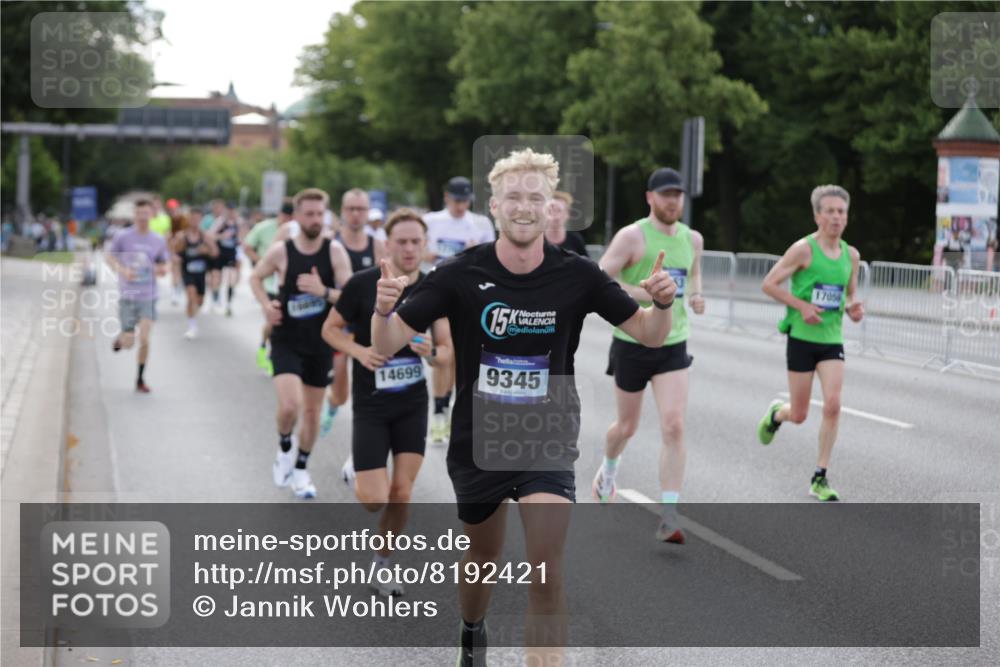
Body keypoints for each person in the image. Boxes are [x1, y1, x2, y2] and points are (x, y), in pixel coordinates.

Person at [371, 149, 676, 666]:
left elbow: (647, 333)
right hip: (478, 440)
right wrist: (383, 310)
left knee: (547, 570)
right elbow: (387, 340)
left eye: (536, 197)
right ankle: (472, 630)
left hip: (547, 433)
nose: (525, 207)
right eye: (514, 196)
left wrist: (663, 304)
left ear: (549, 207)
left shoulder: (578, 275)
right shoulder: (457, 273)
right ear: (494, 206)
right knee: (483, 559)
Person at [322, 208, 452, 596]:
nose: (410, 249)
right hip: (372, 404)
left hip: (412, 402)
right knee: (374, 500)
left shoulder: (435, 288)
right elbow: (330, 330)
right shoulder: (364, 285)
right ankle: (357, 470)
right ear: (387, 243)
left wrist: (432, 353)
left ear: (425, 245)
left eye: (416, 242)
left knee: (402, 493)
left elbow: (447, 352)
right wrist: (359, 352)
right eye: (402, 241)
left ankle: (382, 563)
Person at [592, 167, 706, 544]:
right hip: (633, 339)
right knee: (626, 427)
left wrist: (694, 295)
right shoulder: (633, 236)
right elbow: (600, 277)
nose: (673, 201)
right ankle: (609, 470)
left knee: (674, 425)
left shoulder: (694, 239)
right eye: (665, 194)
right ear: (650, 198)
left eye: (678, 194)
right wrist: (649, 294)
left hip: (674, 342)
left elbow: (692, 277)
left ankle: (668, 515)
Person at [756, 184, 864, 502]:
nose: (836, 217)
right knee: (800, 413)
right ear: (817, 215)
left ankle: (820, 476)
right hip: (802, 338)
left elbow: (849, 296)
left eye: (841, 212)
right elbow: (769, 284)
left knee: (833, 404)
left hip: (832, 340)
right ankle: (778, 414)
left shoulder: (851, 255)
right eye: (829, 211)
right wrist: (801, 306)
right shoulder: (803, 250)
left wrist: (855, 309)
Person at [250, 188, 353, 500]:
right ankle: (284, 446)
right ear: (296, 217)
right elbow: (255, 278)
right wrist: (266, 305)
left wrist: (323, 291)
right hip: (287, 340)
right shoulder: (282, 251)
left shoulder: (335, 252)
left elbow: (349, 297)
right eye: (308, 214)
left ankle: (301, 469)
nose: (315, 220)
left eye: (320, 214)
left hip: (320, 342)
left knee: (311, 413)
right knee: (290, 406)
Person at [423, 176, 496, 446]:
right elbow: (413, 250)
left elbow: (493, 258)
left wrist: (475, 253)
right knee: (446, 352)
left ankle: (448, 404)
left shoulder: (480, 223)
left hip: (470, 293)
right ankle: (439, 411)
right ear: (446, 197)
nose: (460, 206)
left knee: (460, 356)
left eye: (465, 200)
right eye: (456, 200)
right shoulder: (431, 221)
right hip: (438, 291)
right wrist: (426, 254)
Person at [320, 190, 388, 439]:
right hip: (338, 325)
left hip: (367, 326)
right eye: (351, 209)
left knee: (369, 389)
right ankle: (332, 402)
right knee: (341, 392)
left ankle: (367, 438)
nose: (357, 214)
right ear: (342, 211)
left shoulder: (377, 245)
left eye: (361, 209)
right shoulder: (329, 243)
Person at [106, 198, 171, 393]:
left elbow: (165, 263)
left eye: (146, 213)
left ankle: (140, 379)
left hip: (148, 296)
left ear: (152, 215)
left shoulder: (157, 240)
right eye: (139, 213)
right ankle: (120, 339)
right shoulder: (123, 236)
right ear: (134, 215)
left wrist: (162, 270)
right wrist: (122, 270)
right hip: (128, 294)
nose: (142, 217)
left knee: (144, 339)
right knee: (128, 342)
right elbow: (109, 256)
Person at [244, 200, 295, 373]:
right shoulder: (264, 227)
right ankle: (267, 349)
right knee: (274, 321)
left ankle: (279, 353)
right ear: (280, 214)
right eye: (284, 216)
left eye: (291, 217)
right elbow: (247, 246)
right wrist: (264, 264)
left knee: (287, 323)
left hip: (289, 285)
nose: (287, 220)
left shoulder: (297, 230)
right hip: (269, 284)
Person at [173, 214, 219, 339]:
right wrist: (177, 258)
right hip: (187, 273)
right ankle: (192, 326)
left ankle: (192, 315)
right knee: (191, 297)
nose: (194, 222)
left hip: (201, 274)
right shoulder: (183, 236)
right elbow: (176, 252)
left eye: (197, 219)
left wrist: (207, 250)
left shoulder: (205, 236)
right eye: (192, 219)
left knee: (199, 301)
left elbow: (215, 253)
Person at [209, 201, 242, 316]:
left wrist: (240, 240)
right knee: (217, 276)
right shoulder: (221, 222)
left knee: (231, 278)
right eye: (229, 210)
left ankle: (228, 304)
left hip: (231, 253)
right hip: (220, 252)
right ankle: (215, 297)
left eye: (233, 210)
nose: (231, 213)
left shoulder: (238, 222)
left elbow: (242, 238)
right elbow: (210, 235)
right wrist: (222, 236)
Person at [544, 191, 587, 256]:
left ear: (567, 214)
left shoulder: (575, 240)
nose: (555, 215)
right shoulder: (535, 239)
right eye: (551, 211)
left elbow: (587, 264)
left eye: (559, 210)